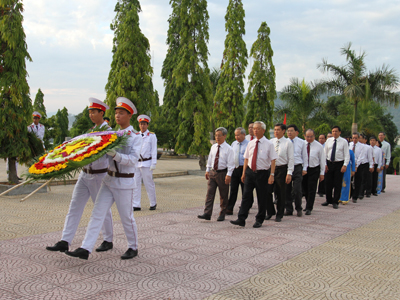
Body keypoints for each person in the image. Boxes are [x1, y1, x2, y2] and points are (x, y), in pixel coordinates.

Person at [66, 97, 142, 260]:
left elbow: (134, 160)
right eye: (116, 113)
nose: (117, 116)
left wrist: (116, 155)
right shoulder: (113, 135)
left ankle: (133, 246)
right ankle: (85, 248)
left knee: (126, 217)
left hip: (124, 182)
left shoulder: (136, 137)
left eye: (121, 113)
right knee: (97, 213)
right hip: (108, 181)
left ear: (130, 116)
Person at [46, 98, 114, 253]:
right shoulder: (91, 131)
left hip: (99, 176)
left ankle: (108, 239)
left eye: (93, 112)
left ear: (101, 113)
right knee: (74, 206)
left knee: (101, 209)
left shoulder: (109, 133)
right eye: (89, 112)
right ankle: (65, 240)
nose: (90, 114)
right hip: (84, 175)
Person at [231, 121, 277, 228]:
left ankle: (259, 219)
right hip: (250, 173)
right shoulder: (250, 143)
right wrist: (244, 173)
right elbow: (246, 159)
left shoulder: (269, 144)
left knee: (262, 197)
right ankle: (241, 218)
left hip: (263, 173)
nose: (255, 130)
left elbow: (273, 160)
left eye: (258, 129)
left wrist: (272, 175)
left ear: (263, 130)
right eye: (254, 128)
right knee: (246, 196)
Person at [198, 127, 234, 221]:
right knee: (209, 194)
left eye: (219, 135)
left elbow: (231, 164)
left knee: (223, 195)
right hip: (213, 173)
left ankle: (222, 213)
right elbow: (210, 159)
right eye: (216, 135)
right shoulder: (213, 147)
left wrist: (229, 175)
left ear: (224, 136)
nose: (217, 137)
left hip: (222, 173)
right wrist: (207, 170)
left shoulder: (229, 149)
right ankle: (207, 213)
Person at [268, 123, 293, 222]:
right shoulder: (271, 142)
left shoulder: (288, 143)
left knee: (280, 193)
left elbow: (291, 159)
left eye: (278, 130)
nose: (276, 132)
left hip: (282, 169)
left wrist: (289, 173)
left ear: (283, 131)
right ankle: (270, 211)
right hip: (271, 169)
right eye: (274, 130)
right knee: (267, 191)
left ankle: (280, 213)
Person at [133, 115, 158, 211]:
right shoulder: (136, 136)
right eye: (141, 124)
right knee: (136, 184)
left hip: (147, 163)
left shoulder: (151, 136)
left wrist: (153, 163)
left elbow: (154, 150)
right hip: (136, 163)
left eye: (144, 124)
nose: (142, 126)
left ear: (147, 125)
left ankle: (153, 203)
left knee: (149, 184)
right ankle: (136, 204)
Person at [322, 126, 349, 209]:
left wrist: (344, 165)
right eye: (333, 131)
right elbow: (324, 153)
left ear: (340, 132)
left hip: (339, 164)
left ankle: (335, 201)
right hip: (329, 163)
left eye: (336, 131)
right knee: (328, 183)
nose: (334, 133)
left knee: (337, 183)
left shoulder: (344, 141)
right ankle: (328, 200)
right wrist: (325, 164)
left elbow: (346, 154)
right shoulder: (329, 141)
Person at [285, 125, 307, 216]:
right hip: (286, 167)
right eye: (288, 131)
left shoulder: (302, 142)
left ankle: (299, 208)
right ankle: (289, 209)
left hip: (297, 167)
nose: (289, 132)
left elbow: (305, 156)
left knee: (297, 189)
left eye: (291, 131)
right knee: (287, 189)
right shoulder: (285, 142)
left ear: (296, 132)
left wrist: (305, 168)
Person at [226, 127, 249, 215]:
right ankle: (229, 208)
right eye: (235, 135)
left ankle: (245, 208)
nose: (237, 137)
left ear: (244, 134)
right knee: (233, 190)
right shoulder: (234, 144)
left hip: (244, 170)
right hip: (235, 170)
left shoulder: (248, 144)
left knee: (245, 191)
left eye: (238, 135)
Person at [302, 129, 325, 215]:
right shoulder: (302, 144)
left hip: (314, 169)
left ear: (314, 136)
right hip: (304, 169)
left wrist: (322, 173)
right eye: (307, 136)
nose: (309, 138)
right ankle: (307, 204)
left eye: (311, 136)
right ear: (304, 136)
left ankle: (309, 207)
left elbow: (322, 160)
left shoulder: (319, 146)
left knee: (312, 188)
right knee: (305, 188)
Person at [350, 132, 367, 203]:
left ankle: (355, 196)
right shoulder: (349, 145)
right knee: (349, 180)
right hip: (350, 164)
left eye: (356, 138)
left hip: (358, 164)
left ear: (359, 138)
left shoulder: (362, 146)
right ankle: (350, 193)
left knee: (357, 180)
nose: (354, 139)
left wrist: (356, 165)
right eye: (353, 138)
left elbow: (361, 156)